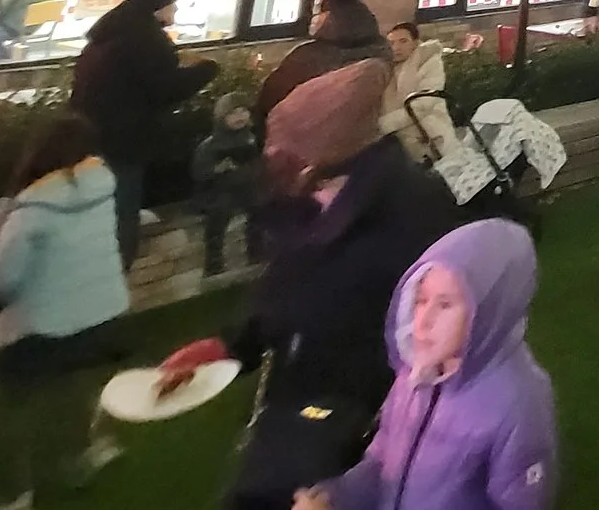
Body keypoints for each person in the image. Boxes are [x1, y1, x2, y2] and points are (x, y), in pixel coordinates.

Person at [158, 61, 455, 510]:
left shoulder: (417, 210)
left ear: (340, 158)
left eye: (303, 167)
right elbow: (289, 286)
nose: (293, 180)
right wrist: (234, 344)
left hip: (368, 412)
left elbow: (441, 329)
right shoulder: (311, 197)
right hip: (297, 399)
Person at [290, 218, 556, 510]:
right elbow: (382, 461)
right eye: (420, 300)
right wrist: (333, 498)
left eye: (444, 304)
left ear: (490, 308)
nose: (423, 320)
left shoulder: (517, 402)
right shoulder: (415, 373)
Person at [0, 112, 131, 510]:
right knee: (76, 380)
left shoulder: (28, 212)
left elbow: (4, 279)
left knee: (17, 404)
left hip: (47, 324)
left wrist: (0, 225)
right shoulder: (102, 189)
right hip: (102, 313)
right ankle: (86, 450)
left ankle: (18, 493)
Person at [69, 0, 220, 267]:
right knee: (123, 207)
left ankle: (91, 264)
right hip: (123, 138)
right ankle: (116, 269)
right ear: (158, 5)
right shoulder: (145, 38)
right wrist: (207, 68)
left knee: (98, 204)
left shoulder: (116, 28)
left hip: (88, 131)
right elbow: (166, 88)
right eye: (172, 4)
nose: (175, 10)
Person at [256, 0, 394, 128]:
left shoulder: (308, 57)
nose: (316, 20)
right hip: (361, 130)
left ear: (331, 17)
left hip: (303, 130)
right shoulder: (382, 51)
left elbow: (270, 102)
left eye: (320, 14)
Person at [195, 93, 265, 277]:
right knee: (218, 216)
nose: (240, 116)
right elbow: (199, 172)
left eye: (243, 111)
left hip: (247, 185)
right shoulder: (210, 145)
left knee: (259, 210)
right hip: (221, 190)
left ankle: (256, 251)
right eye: (233, 113)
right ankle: (214, 262)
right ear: (222, 116)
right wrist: (217, 168)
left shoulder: (251, 138)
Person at [380, 22, 458, 165]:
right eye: (391, 43)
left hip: (431, 137)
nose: (396, 48)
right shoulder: (384, 69)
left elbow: (423, 104)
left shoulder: (429, 63)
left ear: (415, 43)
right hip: (396, 141)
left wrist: (382, 125)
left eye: (403, 41)